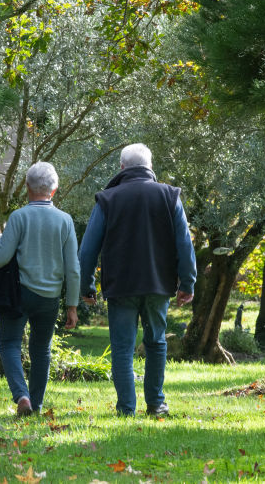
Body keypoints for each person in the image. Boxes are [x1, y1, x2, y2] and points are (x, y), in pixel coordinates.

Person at [78, 143, 197, 417]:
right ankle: (156, 403)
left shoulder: (107, 198)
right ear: (150, 167)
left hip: (121, 285)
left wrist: (87, 286)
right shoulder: (170, 195)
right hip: (158, 284)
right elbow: (184, 243)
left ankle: (126, 408)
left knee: (122, 347)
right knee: (156, 342)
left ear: (122, 167)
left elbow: (87, 250)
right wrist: (187, 283)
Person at [0, 161, 80, 417]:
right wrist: (72, 306)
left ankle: (22, 397)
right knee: (41, 349)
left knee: (9, 343)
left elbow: (0, 258)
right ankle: (37, 404)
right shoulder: (65, 220)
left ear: (28, 188)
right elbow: (73, 267)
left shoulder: (19, 217)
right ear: (54, 190)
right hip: (49, 297)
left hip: (18, 293)